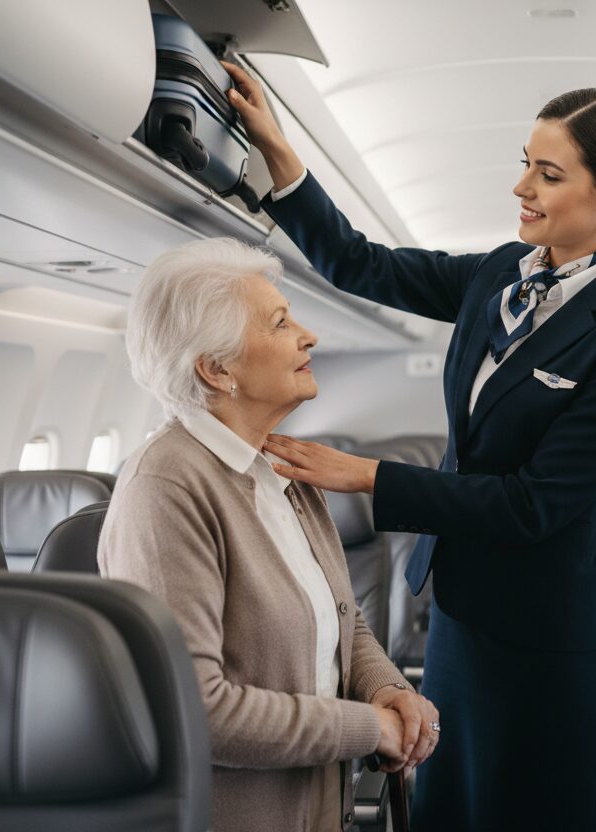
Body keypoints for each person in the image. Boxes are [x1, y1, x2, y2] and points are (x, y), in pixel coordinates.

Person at [224, 65, 596, 831]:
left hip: (551, 627)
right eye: (524, 163)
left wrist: (369, 476)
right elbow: (357, 262)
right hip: (462, 605)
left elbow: (538, 504)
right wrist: (278, 152)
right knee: (449, 805)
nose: (521, 188)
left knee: (536, 813)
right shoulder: (498, 274)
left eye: (548, 172)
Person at [97, 238, 438, 832]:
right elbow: (196, 708)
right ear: (216, 367)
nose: (310, 336)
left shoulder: (277, 465)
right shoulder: (167, 487)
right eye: (281, 323)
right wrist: (369, 727)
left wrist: (385, 687)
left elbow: (340, 614)